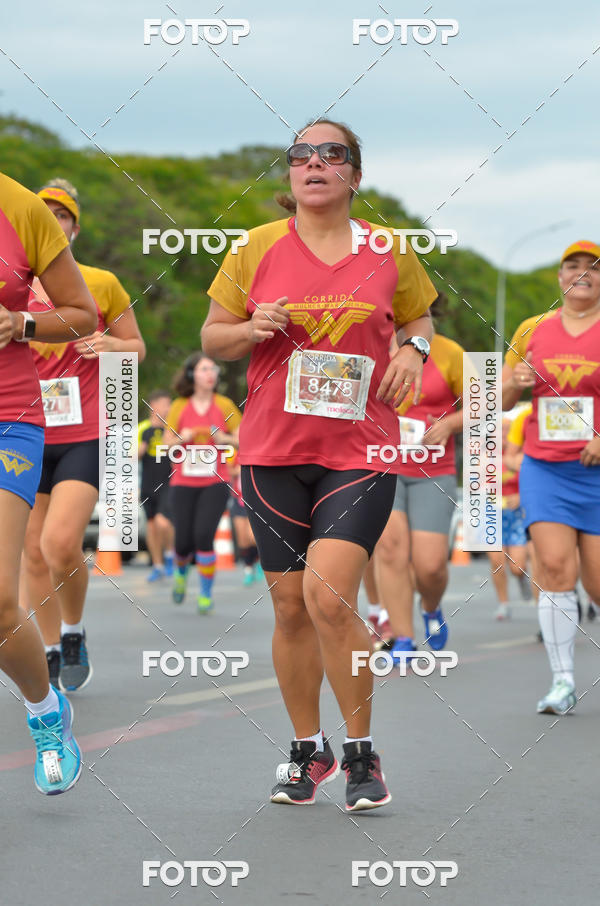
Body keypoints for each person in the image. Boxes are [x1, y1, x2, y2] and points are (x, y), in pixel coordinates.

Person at [201, 119, 436, 810]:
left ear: (353, 175)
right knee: (288, 606)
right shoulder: (254, 249)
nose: (313, 163)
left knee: (329, 596)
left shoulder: (389, 250)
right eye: (300, 154)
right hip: (272, 448)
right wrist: (251, 328)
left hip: (358, 448)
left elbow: (420, 323)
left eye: (330, 154)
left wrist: (410, 353)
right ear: (290, 175)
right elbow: (214, 337)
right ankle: (309, 751)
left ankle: (363, 754)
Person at [22, 179, 146, 691]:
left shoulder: (101, 282)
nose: (54, 221)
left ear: (75, 227)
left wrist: (109, 344)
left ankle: (73, 632)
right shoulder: (12, 284)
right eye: (43, 213)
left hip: (86, 432)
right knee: (32, 550)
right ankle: (51, 650)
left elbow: (136, 349)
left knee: (59, 542)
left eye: (63, 215)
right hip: (25, 430)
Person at [0, 171, 96, 793]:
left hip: (10, 417)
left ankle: (45, 714)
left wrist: (21, 326)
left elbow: (82, 313)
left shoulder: (20, 208)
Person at [503, 240, 600, 715]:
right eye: (573, 265)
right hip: (545, 469)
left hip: (597, 473)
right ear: (560, 275)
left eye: (593, 267)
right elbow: (496, 401)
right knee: (556, 569)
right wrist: (512, 383)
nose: (583, 273)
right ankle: (562, 682)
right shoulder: (532, 329)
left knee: (598, 584)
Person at [374, 310, 464, 663]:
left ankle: (431, 607)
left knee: (430, 566)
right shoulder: (372, 345)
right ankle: (403, 638)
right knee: (391, 549)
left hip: (433, 471)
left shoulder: (452, 352)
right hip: (382, 465)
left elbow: (486, 403)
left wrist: (451, 423)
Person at [162, 353, 242, 612]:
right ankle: (181, 576)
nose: (210, 373)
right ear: (191, 375)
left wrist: (225, 440)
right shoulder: (179, 406)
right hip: (184, 480)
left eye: (213, 368)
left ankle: (206, 594)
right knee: (183, 540)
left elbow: (243, 439)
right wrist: (181, 438)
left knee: (204, 535)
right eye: (203, 369)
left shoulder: (225, 404)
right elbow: (166, 444)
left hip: (216, 479)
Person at [487, 410, 536, 621]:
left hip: (517, 514)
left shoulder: (521, 456)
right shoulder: (484, 458)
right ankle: (503, 604)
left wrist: (519, 496)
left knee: (517, 567)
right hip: (492, 514)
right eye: (500, 430)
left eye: (508, 430)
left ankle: (521, 578)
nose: (504, 434)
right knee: (497, 561)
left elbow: (533, 483)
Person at [138, 389, 175, 581]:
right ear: (154, 406)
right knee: (152, 526)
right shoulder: (142, 428)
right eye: (166, 404)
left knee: (163, 521)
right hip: (147, 483)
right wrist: (142, 444)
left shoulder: (172, 428)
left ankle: (170, 553)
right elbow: (132, 456)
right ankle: (158, 565)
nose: (169, 408)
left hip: (168, 482)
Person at [229, 461, 263, 585]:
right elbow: (226, 472)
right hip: (238, 501)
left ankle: (259, 561)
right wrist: (236, 471)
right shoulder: (232, 454)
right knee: (242, 540)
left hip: (254, 501)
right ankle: (248, 569)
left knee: (252, 537)